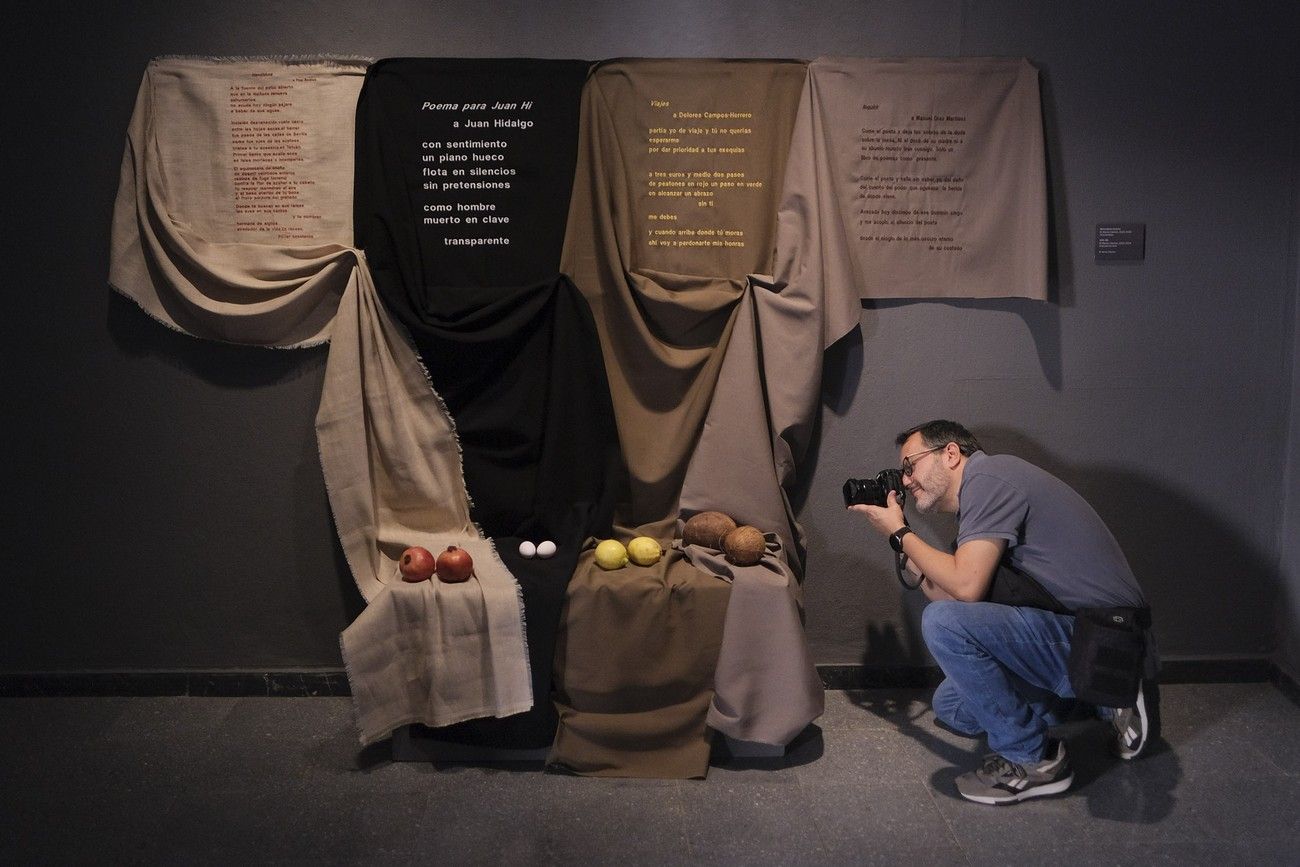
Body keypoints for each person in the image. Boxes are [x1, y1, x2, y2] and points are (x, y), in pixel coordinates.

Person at [850, 419, 1157, 805]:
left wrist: (900, 533)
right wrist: (902, 545)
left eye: (910, 465)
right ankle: (1099, 697)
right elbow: (962, 601)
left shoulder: (990, 478)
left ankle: (1035, 760)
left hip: (1109, 635)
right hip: (1074, 632)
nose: (907, 481)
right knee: (953, 707)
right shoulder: (980, 504)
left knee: (941, 625)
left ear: (950, 453)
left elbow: (964, 588)